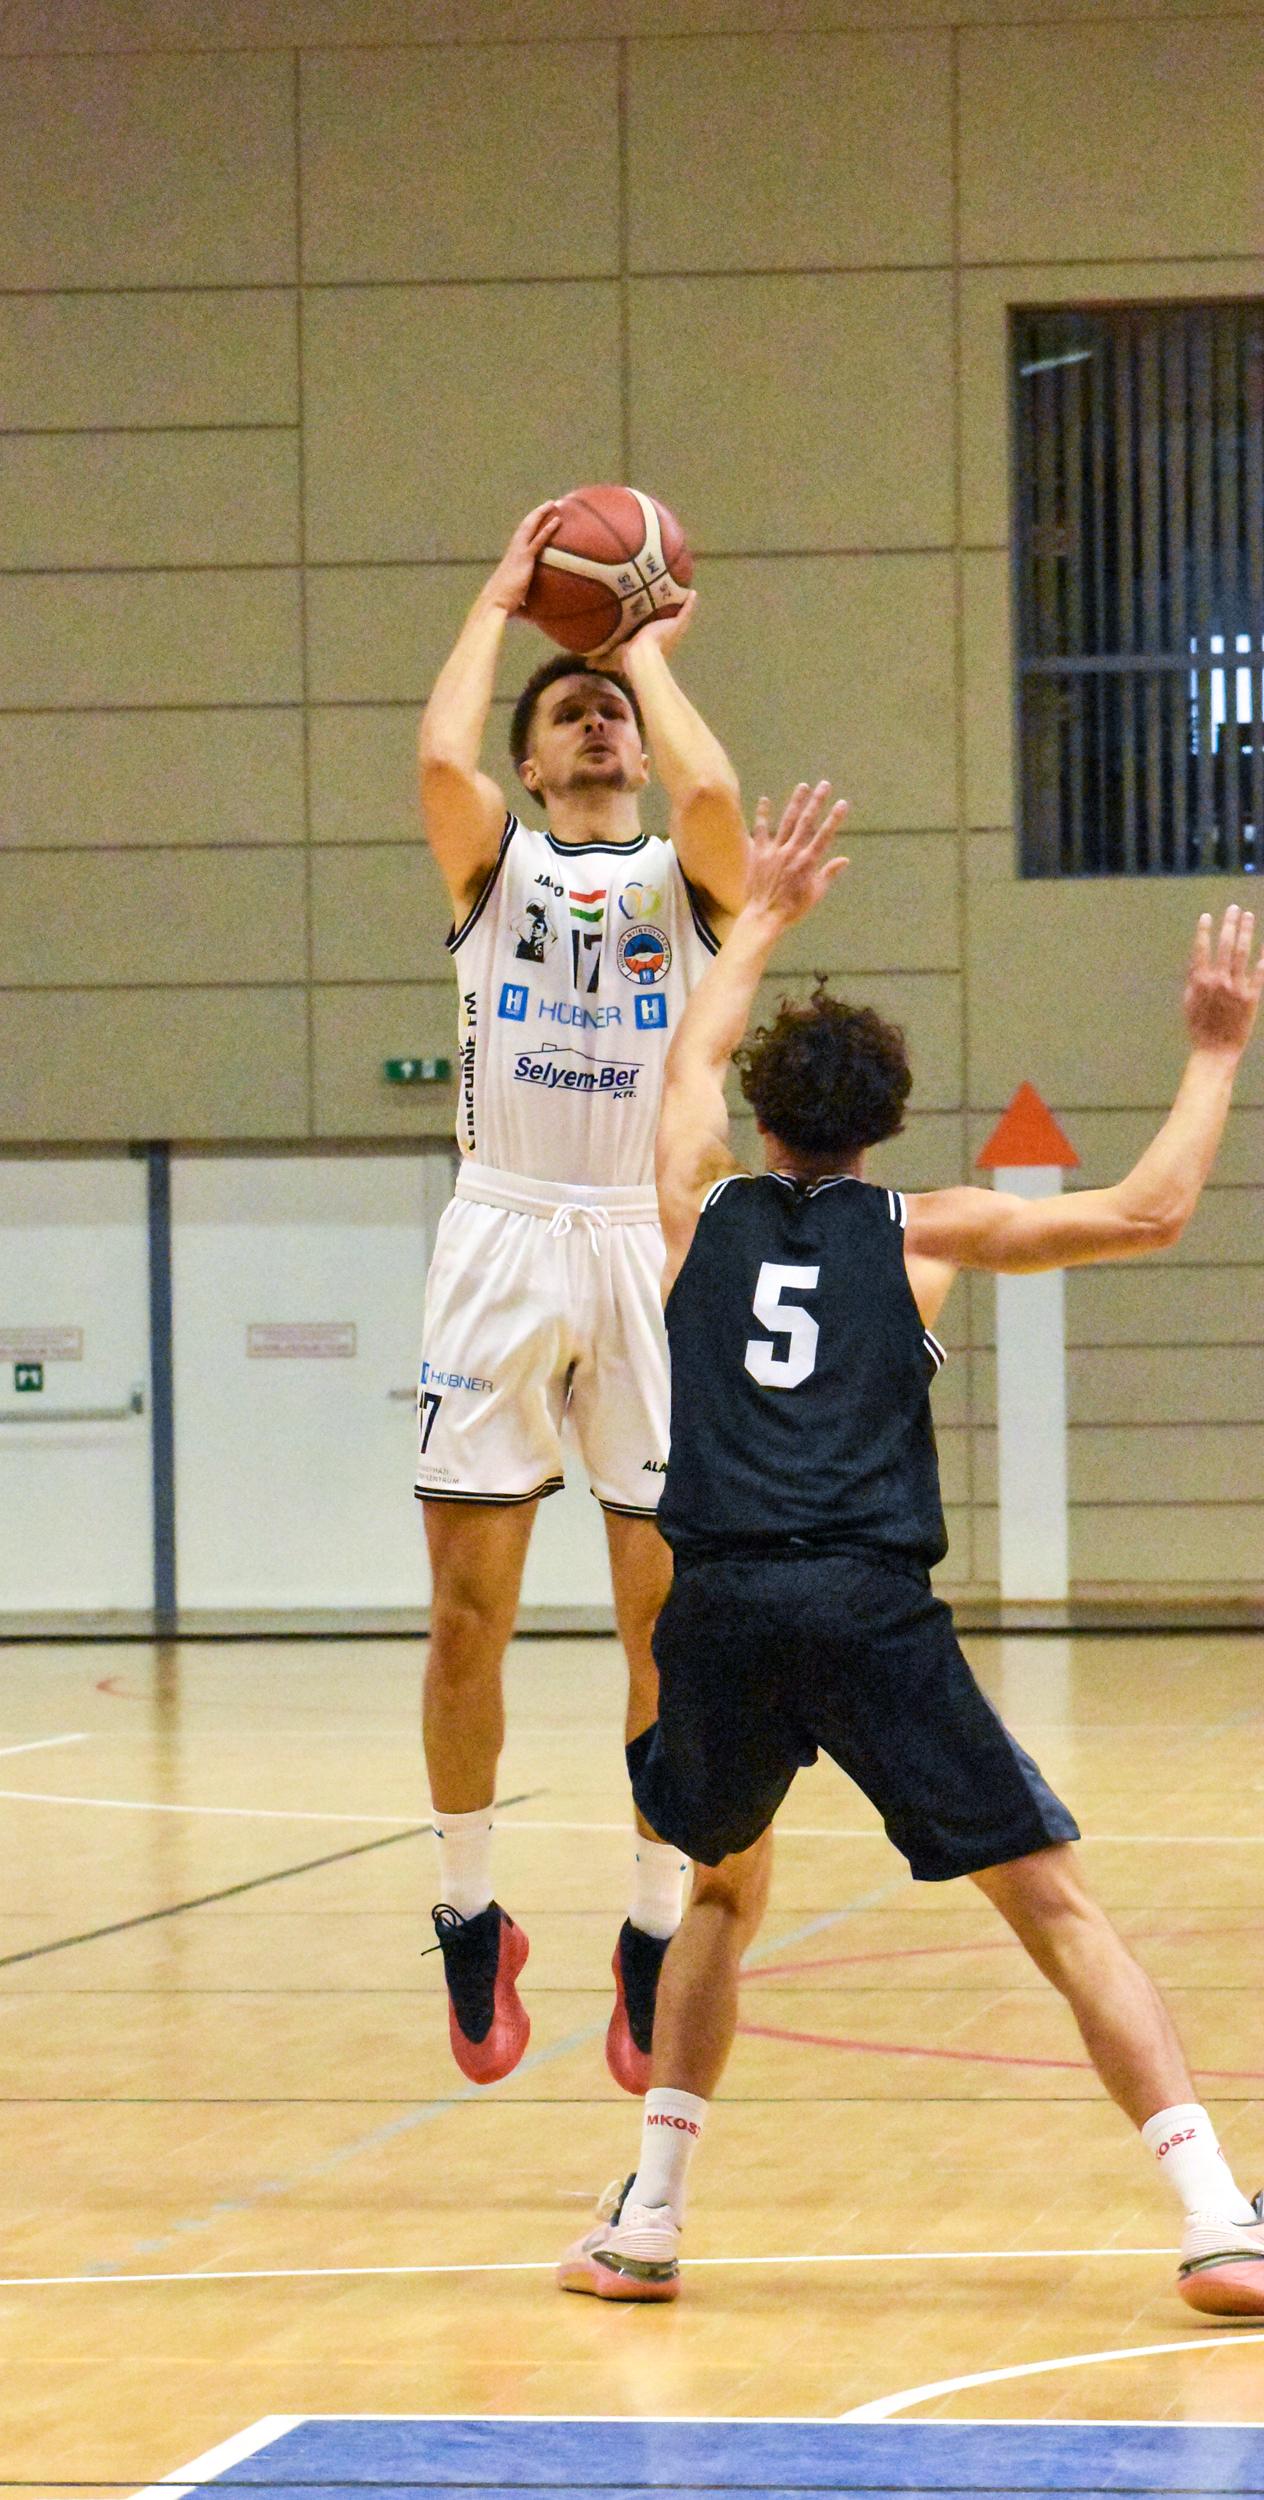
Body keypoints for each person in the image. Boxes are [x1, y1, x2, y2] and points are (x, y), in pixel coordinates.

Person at [558, 779, 1264, 2317]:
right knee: (1056, 1908)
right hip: (868, 1605)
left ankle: (649, 2223)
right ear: (883, 1124)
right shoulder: (925, 1233)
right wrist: (1216, 1050)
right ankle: (1218, 2216)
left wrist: (760, 918)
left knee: (719, 1898)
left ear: (763, 1114)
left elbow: (682, 1065)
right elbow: (1153, 1211)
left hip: (718, 1607)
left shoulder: (689, 1210)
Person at [416, 503, 749, 2091]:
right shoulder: (500, 861)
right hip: (501, 1235)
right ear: (534, 765)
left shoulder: (687, 879)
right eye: (571, 712)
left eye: (609, 708)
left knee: (664, 1625)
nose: (599, 720)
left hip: (643, 1241)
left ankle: (648, 1922)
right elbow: (436, 757)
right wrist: (503, 601)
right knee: (465, 1616)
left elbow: (719, 799)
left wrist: (644, 653)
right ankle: (468, 1911)